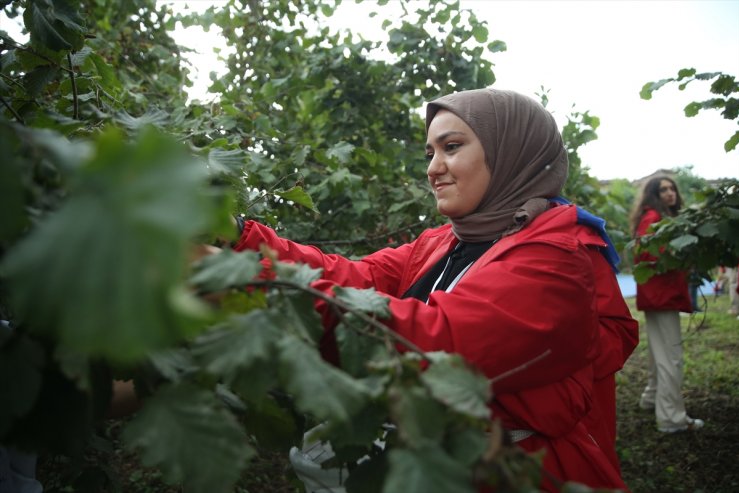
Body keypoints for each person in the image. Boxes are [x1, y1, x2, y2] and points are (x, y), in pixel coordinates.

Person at [234, 88, 634, 492]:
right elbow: (357, 278)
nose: (433, 169)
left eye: (452, 147)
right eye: (430, 153)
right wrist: (240, 242)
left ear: (511, 151)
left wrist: (256, 283)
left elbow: (438, 342)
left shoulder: (556, 257)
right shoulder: (445, 242)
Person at [630, 176, 704, 433]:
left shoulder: (656, 217)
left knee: (658, 353)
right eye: (663, 189)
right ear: (654, 194)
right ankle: (671, 418)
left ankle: (651, 398)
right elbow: (649, 254)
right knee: (670, 357)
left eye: (672, 188)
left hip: (659, 296)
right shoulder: (653, 218)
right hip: (662, 296)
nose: (670, 193)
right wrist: (682, 253)